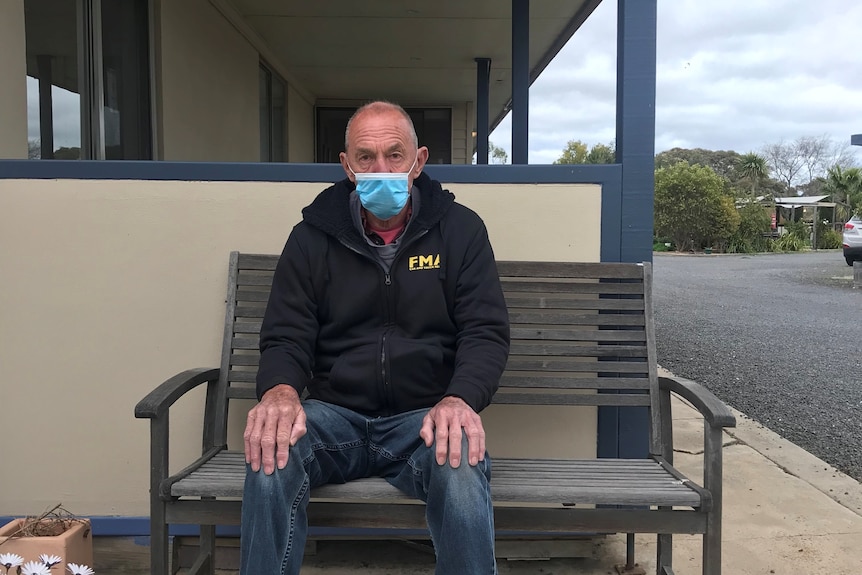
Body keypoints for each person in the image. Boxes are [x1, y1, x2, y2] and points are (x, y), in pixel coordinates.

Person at [241, 101, 510, 575]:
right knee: (271, 453)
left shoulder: (461, 231)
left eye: (394, 154)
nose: (380, 169)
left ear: (419, 161)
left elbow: (484, 333)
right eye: (365, 158)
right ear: (346, 166)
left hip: (422, 420)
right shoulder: (311, 238)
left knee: (463, 461)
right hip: (333, 418)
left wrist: (460, 399)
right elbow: (285, 334)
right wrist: (279, 392)